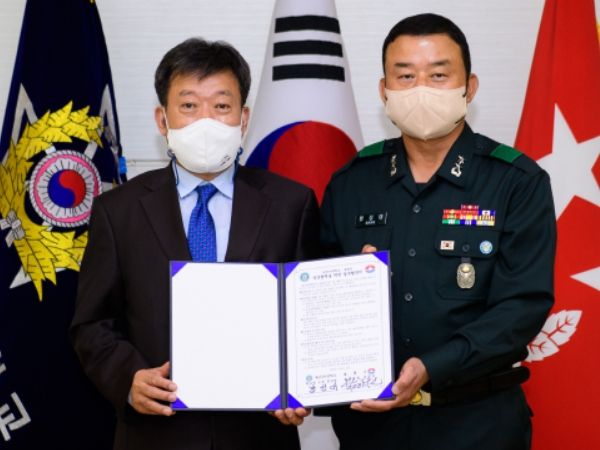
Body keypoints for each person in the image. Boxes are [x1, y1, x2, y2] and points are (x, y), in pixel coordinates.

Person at [319, 13, 556, 450]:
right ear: (384, 90)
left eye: (439, 75)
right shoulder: (351, 182)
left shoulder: (516, 182)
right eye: (406, 76)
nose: (421, 89)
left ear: (470, 87)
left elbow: (522, 307)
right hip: (373, 432)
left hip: (479, 426)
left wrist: (431, 366)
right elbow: (316, 299)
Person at [70, 38, 318, 450]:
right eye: (188, 105)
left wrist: (301, 385)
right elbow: (92, 323)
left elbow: (310, 318)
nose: (206, 121)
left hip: (258, 436)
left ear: (243, 118)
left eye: (221, 106)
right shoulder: (118, 210)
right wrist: (130, 379)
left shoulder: (291, 204)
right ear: (162, 119)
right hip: (156, 435)